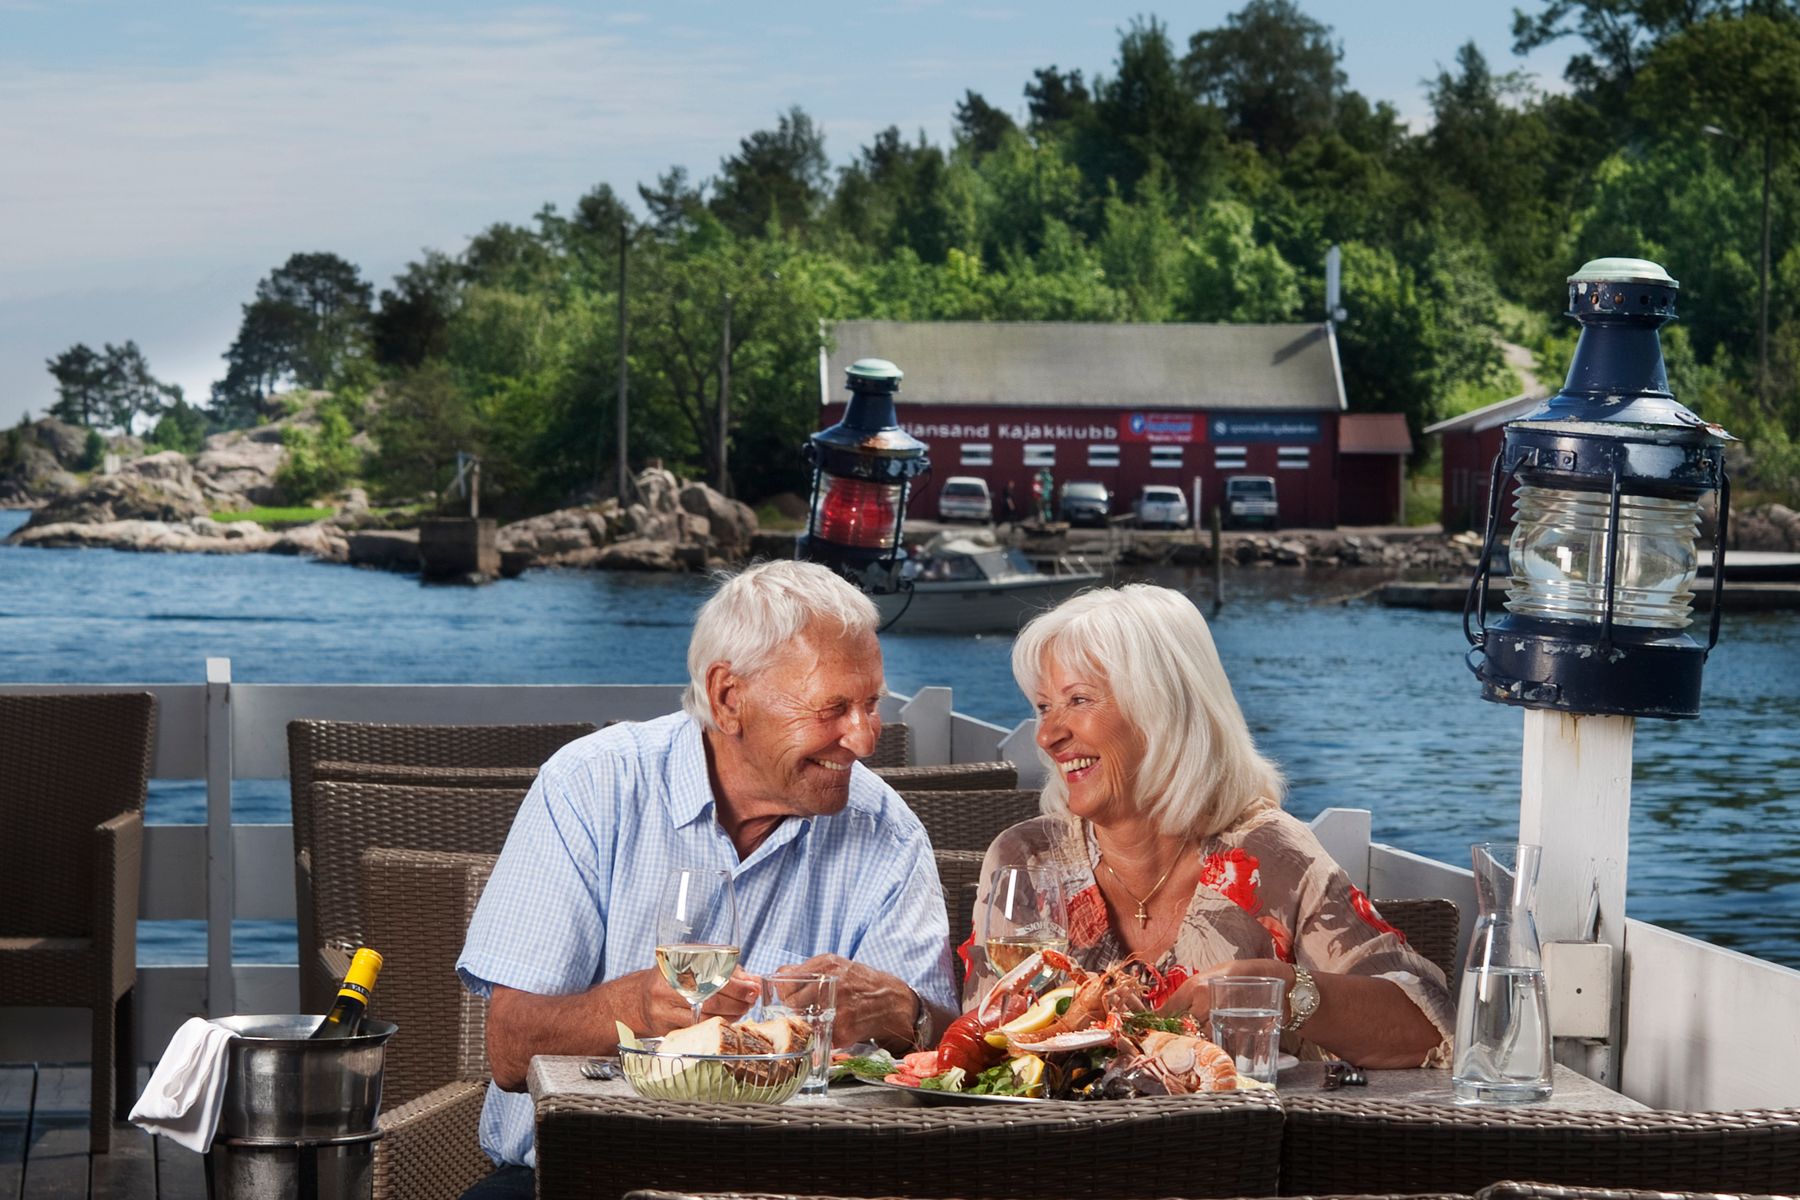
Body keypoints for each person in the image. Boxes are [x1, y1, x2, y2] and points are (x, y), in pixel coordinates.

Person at [456, 560, 958, 1198]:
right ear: (728, 698)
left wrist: (908, 1014)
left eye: (872, 704)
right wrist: (638, 1007)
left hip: (800, 1181)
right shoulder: (592, 785)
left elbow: (948, 1056)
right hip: (581, 1175)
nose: (863, 739)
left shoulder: (889, 830)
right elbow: (510, 1048)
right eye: (832, 708)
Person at [962, 584, 1453, 1069]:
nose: (1047, 736)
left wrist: (1281, 992)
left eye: (1079, 700)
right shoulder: (1025, 860)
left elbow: (1427, 1029)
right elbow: (983, 1045)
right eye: (1044, 707)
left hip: (1237, 1122)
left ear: (1162, 709)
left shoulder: (1269, 853)